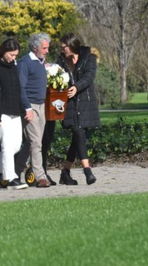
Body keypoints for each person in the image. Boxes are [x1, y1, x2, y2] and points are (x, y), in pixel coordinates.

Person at [0, 38, 29, 190]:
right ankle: (10, 178)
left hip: (15, 112)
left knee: (15, 146)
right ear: (3, 51)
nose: (13, 58)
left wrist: (22, 110)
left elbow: (17, 90)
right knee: (7, 146)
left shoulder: (13, 67)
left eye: (15, 55)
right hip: (1, 113)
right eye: (11, 54)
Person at [57, 33, 100, 185]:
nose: (62, 50)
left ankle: (65, 172)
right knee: (78, 132)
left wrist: (76, 87)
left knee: (78, 137)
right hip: (70, 104)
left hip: (85, 103)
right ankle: (87, 171)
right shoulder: (61, 61)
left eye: (64, 47)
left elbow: (89, 77)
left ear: (72, 45)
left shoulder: (89, 58)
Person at [15, 33, 52, 188]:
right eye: (44, 48)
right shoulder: (25, 62)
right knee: (36, 141)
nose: (47, 50)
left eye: (48, 47)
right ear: (35, 48)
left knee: (32, 143)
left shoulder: (40, 62)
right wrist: (27, 108)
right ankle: (40, 176)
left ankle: (14, 172)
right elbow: (20, 87)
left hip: (41, 105)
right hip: (30, 106)